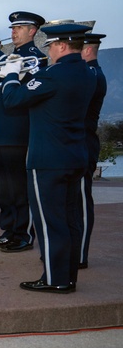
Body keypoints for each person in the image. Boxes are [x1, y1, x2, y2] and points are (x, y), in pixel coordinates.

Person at [0, 22, 97, 293]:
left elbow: (13, 100)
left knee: (49, 222)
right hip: (75, 156)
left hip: (47, 161)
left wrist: (10, 75)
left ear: (62, 45)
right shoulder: (88, 73)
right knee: (70, 220)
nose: (50, 50)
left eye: (52, 45)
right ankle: (68, 277)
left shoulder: (53, 75)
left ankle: (55, 280)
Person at [0, 11, 47, 252]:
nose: (13, 32)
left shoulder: (35, 58)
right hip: (0, 132)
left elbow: (19, 84)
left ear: (33, 31)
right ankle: (9, 230)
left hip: (19, 132)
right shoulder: (7, 60)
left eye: (19, 28)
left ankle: (24, 234)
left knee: (19, 186)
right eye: (13, 28)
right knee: (5, 188)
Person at [79, 30, 107, 269]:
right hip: (76, 142)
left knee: (81, 202)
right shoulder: (85, 74)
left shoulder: (93, 75)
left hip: (84, 142)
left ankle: (80, 254)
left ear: (88, 50)